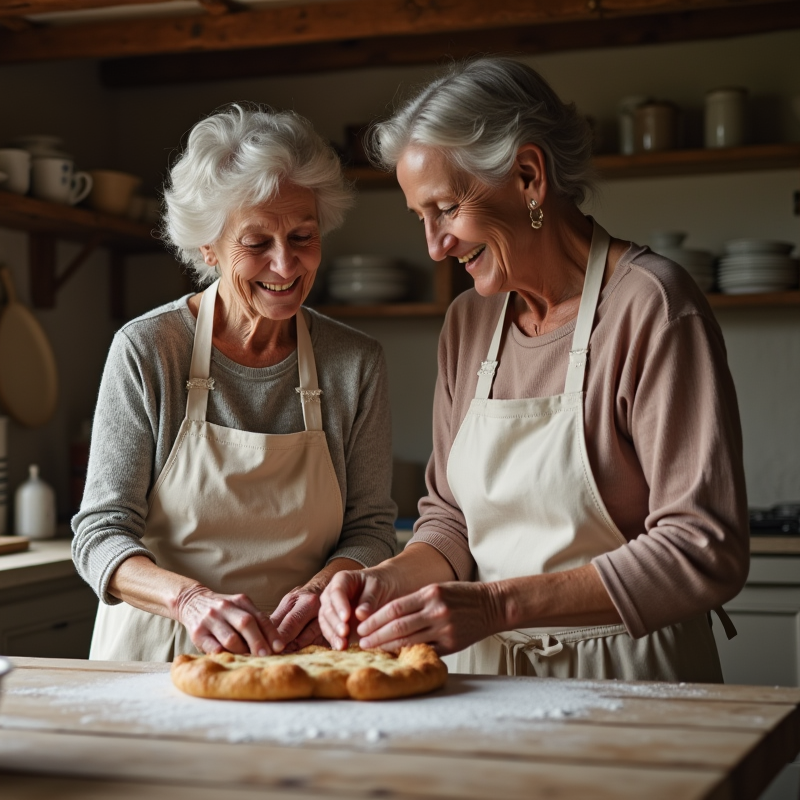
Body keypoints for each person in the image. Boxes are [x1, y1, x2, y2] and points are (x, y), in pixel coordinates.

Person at [319, 58, 748, 681]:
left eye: (445, 208)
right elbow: (449, 520)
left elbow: (703, 549)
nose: (435, 246)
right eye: (422, 218)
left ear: (527, 175)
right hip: (485, 683)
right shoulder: (468, 323)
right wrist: (379, 582)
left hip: (631, 682)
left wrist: (496, 605)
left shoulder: (651, 306)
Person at [73, 104, 397, 662]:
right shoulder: (149, 350)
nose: (286, 265)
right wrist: (192, 601)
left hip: (304, 651)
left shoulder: (354, 362)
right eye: (257, 244)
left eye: (303, 236)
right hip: (163, 653)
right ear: (208, 248)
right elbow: (100, 534)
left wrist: (320, 593)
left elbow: (369, 530)